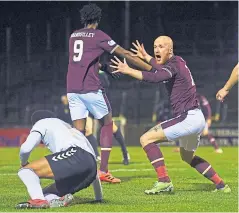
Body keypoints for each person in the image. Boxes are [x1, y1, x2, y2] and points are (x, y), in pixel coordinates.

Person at [111, 36, 231, 194]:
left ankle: (164, 181)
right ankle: (221, 185)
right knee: (187, 157)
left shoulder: (173, 65)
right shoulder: (176, 62)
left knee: (146, 139)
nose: (156, 50)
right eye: (155, 46)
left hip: (188, 118)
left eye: (161, 47)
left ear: (170, 50)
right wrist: (146, 56)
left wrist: (128, 70)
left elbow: (156, 77)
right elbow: (157, 67)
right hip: (196, 118)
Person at [67, 3, 151, 183]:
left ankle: (75, 171)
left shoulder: (74, 36)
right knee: (107, 123)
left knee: (78, 131)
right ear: (97, 18)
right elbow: (125, 53)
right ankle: (103, 170)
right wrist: (150, 68)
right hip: (90, 87)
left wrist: (103, 66)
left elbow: (86, 62)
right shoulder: (98, 35)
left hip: (72, 88)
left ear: (84, 18)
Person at [16, 110, 102, 209]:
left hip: (75, 156)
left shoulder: (41, 123)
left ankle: (38, 201)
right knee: (44, 192)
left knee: (26, 171)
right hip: (89, 171)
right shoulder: (70, 128)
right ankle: (54, 201)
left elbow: (25, 149)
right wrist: (98, 198)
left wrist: (24, 163)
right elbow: (92, 163)